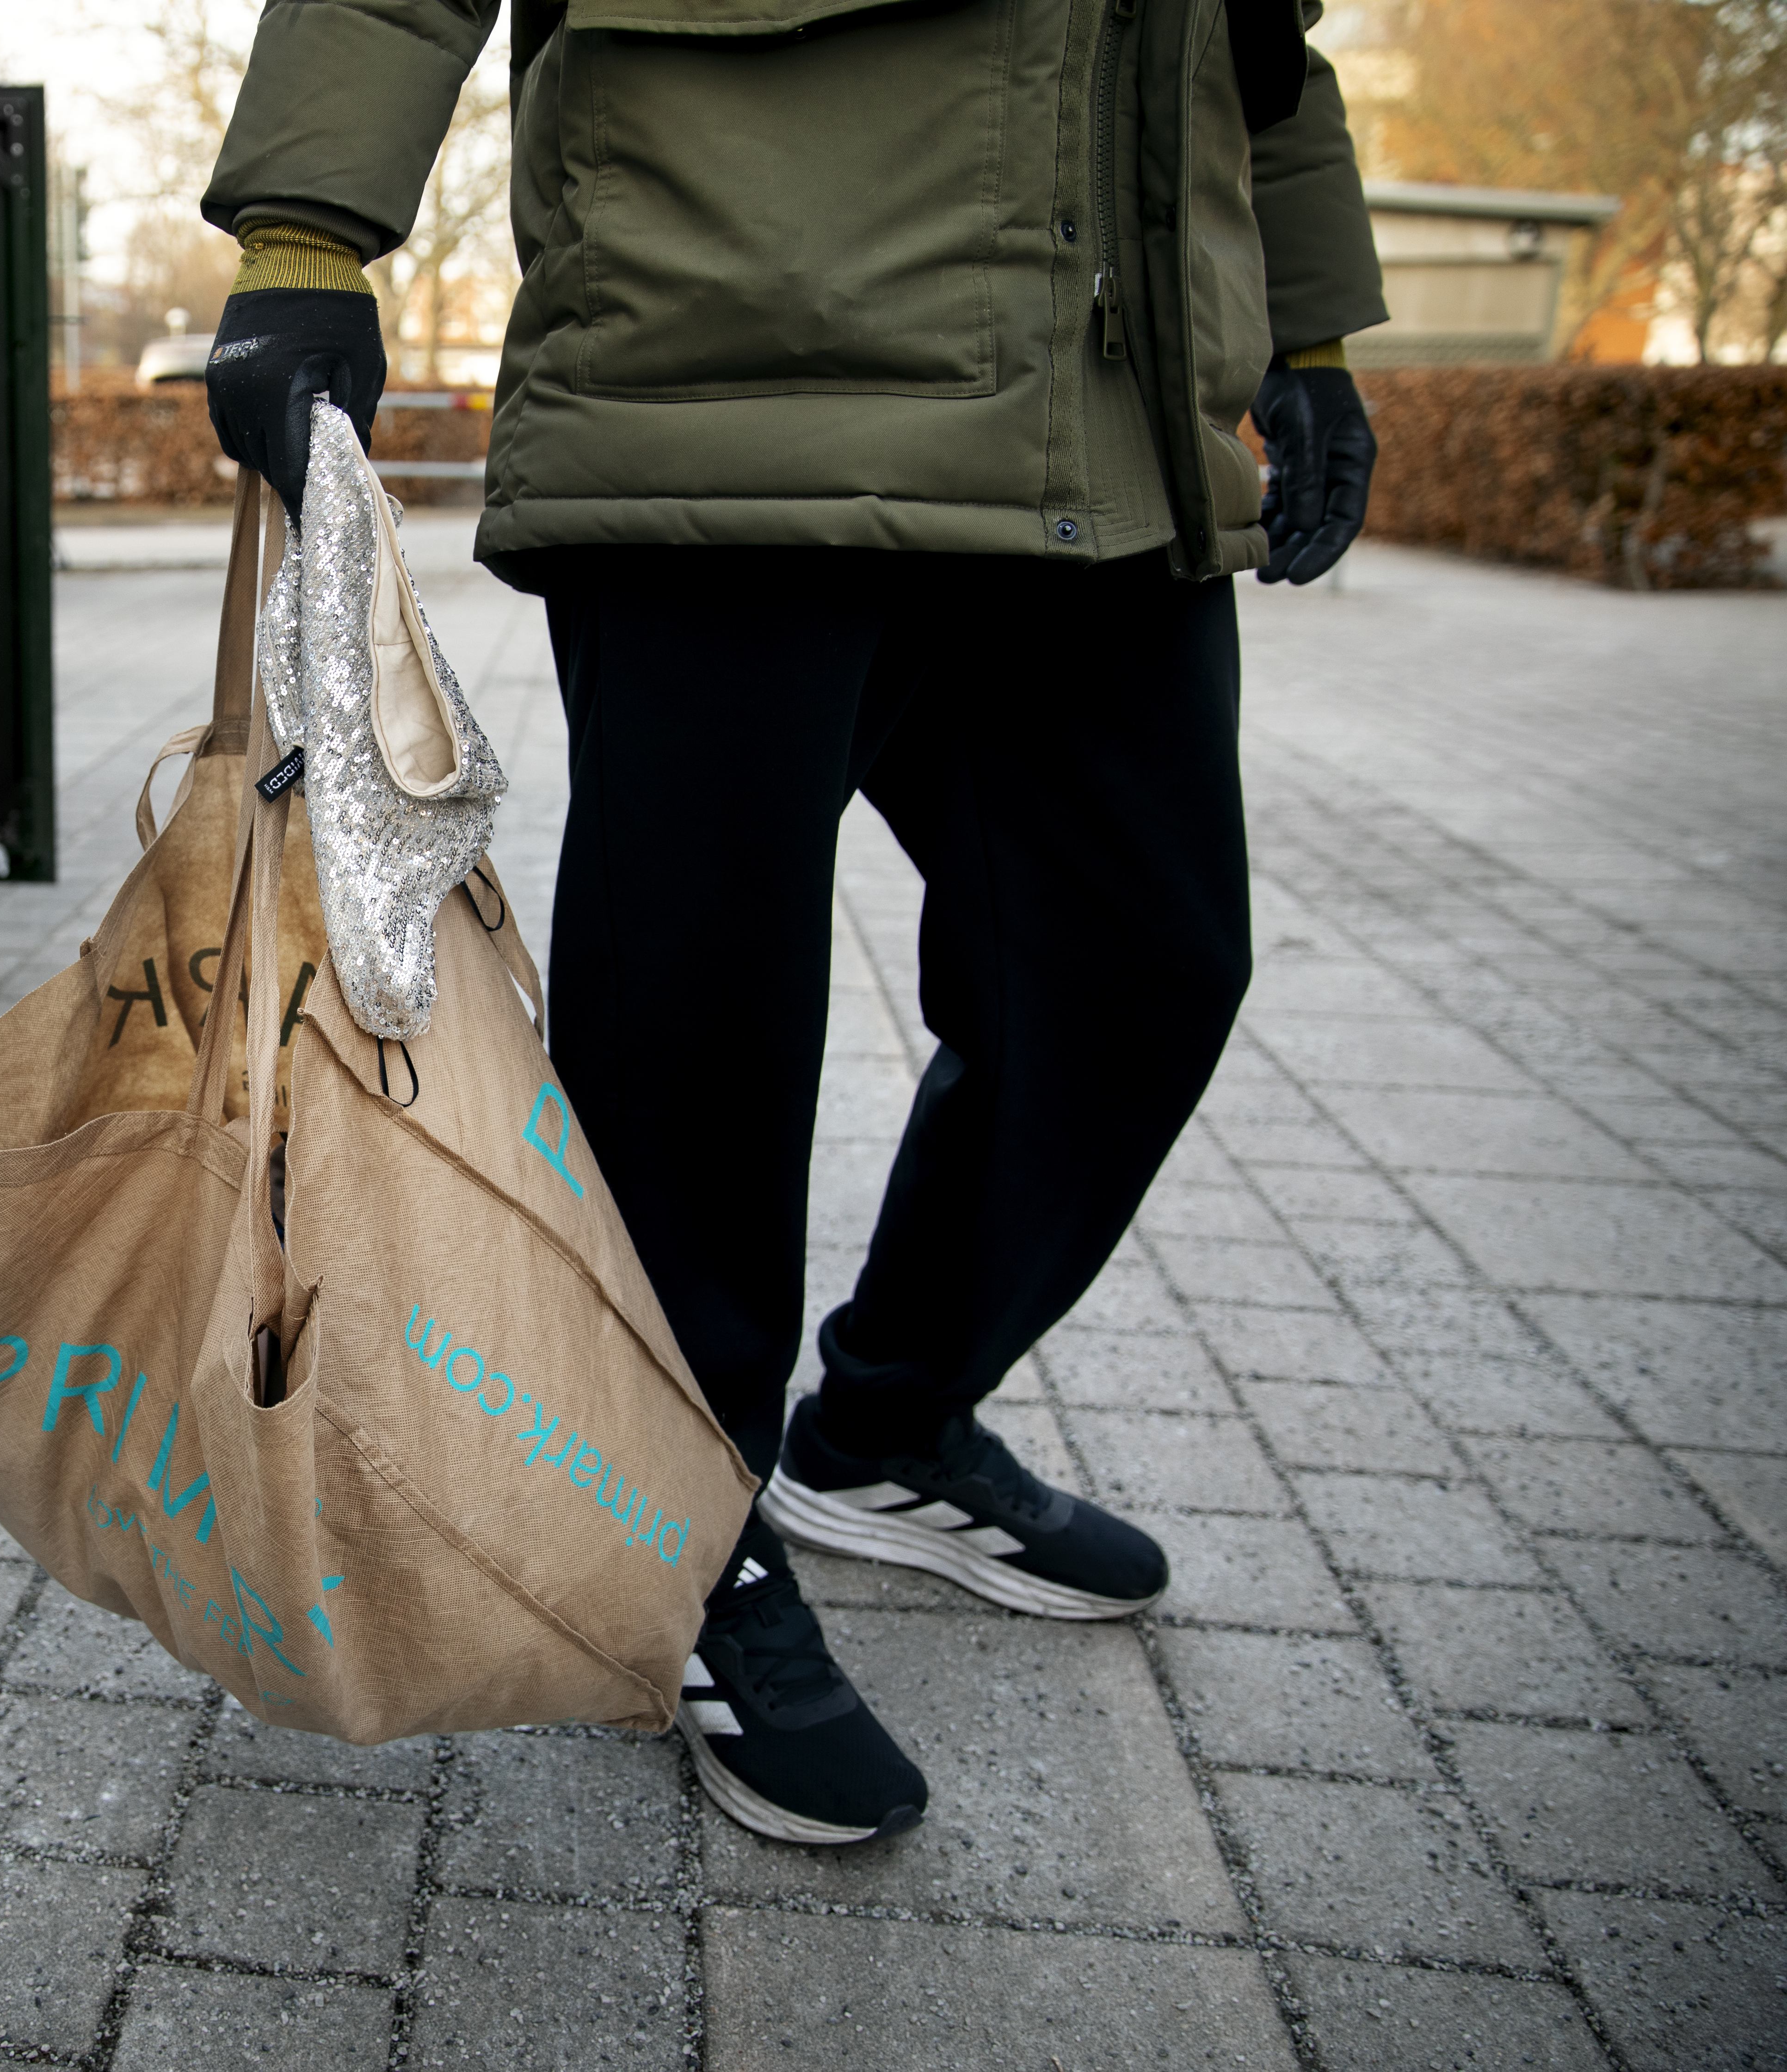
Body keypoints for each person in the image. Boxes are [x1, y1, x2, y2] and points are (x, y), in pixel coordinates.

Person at [202, 0, 1384, 1844]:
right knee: (701, 1022)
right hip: (727, 354)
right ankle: (663, 1527)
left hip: (1102, 409)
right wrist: (306, 232)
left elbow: (1260, 47)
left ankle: (888, 1425)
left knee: (1141, 964)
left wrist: (1306, 321)